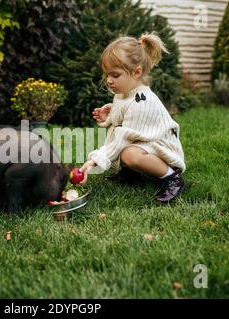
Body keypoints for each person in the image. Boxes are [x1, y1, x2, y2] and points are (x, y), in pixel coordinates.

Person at [79, 33, 186, 203]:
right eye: (107, 75)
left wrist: (94, 161)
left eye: (115, 75)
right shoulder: (125, 94)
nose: (108, 80)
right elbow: (123, 118)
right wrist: (110, 115)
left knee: (129, 153)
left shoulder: (142, 101)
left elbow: (122, 137)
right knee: (128, 150)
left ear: (137, 72)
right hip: (147, 143)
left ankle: (172, 178)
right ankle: (132, 174)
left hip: (163, 150)